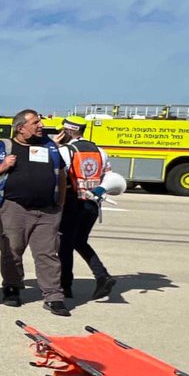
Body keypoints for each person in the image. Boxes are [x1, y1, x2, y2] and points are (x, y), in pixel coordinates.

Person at [0, 109, 68, 315]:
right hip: (14, 208)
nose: (41, 125)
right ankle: (12, 287)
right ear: (20, 128)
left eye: (40, 122)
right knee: (12, 250)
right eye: (35, 123)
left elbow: (61, 175)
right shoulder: (3, 147)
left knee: (48, 254)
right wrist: (2, 166)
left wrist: (60, 204)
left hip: (47, 211)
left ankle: (53, 297)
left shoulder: (50, 147)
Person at [56, 116, 115, 301]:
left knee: (65, 244)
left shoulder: (65, 151)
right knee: (79, 241)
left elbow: (58, 174)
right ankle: (102, 276)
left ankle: (65, 286)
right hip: (92, 204)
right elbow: (109, 177)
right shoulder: (100, 151)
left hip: (73, 202)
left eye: (63, 131)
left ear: (69, 131)